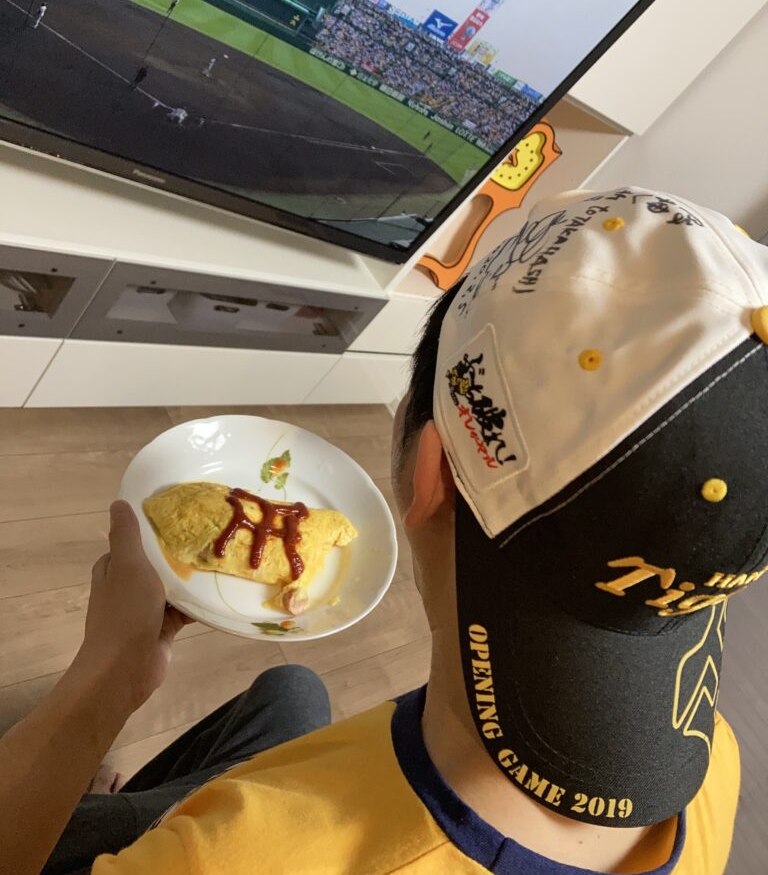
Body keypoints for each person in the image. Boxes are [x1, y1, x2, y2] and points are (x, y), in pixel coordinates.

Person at [2, 188, 767, 875]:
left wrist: (100, 688)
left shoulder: (227, 858)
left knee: (121, 806)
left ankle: (98, 810)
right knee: (294, 690)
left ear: (430, 468)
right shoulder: (711, 765)